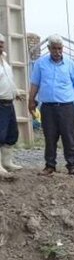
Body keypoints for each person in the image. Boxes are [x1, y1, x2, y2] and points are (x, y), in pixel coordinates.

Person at [28, 34, 74, 176]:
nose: (57, 52)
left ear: (63, 48)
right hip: (48, 108)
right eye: (54, 49)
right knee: (50, 137)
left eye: (60, 48)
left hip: (66, 107)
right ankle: (50, 166)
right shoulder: (40, 64)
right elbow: (35, 84)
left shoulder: (70, 64)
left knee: (69, 137)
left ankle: (72, 166)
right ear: (49, 48)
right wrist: (31, 100)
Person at [0, 33, 23, 176]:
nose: (1, 45)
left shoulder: (4, 60)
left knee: (11, 133)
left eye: (2, 43)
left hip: (9, 103)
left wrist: (15, 92)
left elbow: (9, 79)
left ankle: (7, 162)